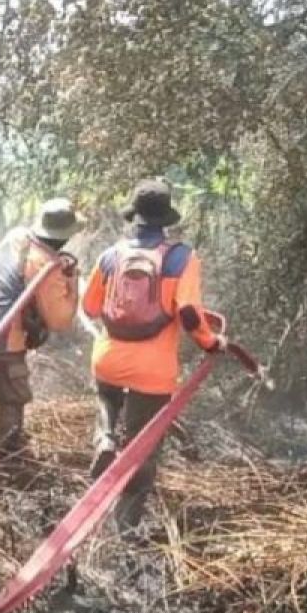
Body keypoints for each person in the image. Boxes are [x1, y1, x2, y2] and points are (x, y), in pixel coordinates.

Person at [80, 179, 225, 532]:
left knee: (106, 398)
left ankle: (105, 437)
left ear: (135, 216)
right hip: (152, 371)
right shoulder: (181, 258)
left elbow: (90, 307)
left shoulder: (111, 255)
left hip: (108, 359)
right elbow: (188, 313)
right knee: (142, 446)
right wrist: (211, 343)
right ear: (166, 220)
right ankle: (126, 527)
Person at [0, 198, 83, 453]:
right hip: (1, 340)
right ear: (65, 237)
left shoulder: (17, 237)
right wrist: (72, 283)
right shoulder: (46, 267)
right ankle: (6, 456)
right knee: (13, 399)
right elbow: (60, 320)